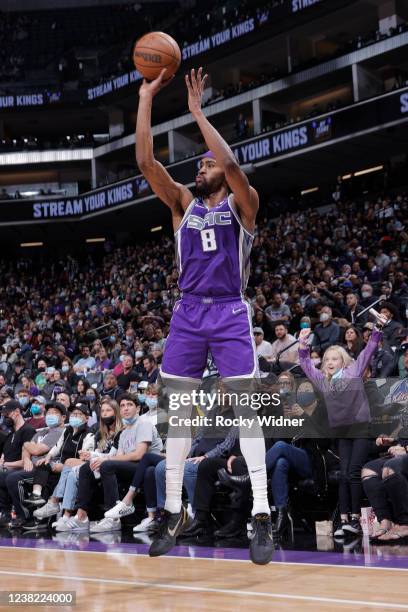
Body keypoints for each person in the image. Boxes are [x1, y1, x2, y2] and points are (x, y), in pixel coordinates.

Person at [136, 66, 273, 564]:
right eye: (200, 163)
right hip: (188, 314)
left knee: (246, 410)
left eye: (207, 163)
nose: (201, 166)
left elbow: (233, 161)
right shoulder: (182, 205)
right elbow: (146, 160)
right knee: (176, 417)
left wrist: (197, 111)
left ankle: (262, 512)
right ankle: (172, 510)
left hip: (231, 311)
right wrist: (146, 97)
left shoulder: (244, 204)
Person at [298, 315, 385, 536]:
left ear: (343, 361)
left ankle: (355, 520)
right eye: (327, 359)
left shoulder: (353, 372)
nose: (329, 362)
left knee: (354, 471)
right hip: (341, 431)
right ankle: (344, 519)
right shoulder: (323, 380)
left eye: (334, 359)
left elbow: (368, 350)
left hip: (361, 428)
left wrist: (378, 329)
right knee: (344, 473)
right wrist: (302, 345)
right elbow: (306, 365)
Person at [89, 393, 162, 533]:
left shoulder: (144, 424)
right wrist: (102, 459)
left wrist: (107, 459)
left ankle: (114, 518)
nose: (125, 408)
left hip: (150, 465)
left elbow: (140, 454)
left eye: (129, 405)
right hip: (134, 467)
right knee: (97, 466)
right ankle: (100, 516)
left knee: (108, 465)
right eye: (122, 406)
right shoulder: (123, 433)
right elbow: (120, 456)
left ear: (138, 408)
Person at [52, 397, 123, 532]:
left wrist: (93, 456)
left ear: (116, 413)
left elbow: (115, 456)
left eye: (109, 410)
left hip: (113, 467)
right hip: (97, 466)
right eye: (103, 411)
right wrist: (90, 455)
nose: (105, 414)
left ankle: (76, 514)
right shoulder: (100, 434)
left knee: (81, 468)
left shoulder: (121, 432)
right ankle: (72, 517)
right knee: (74, 473)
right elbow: (96, 453)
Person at [5, 401, 66, 528]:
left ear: (63, 418)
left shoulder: (59, 431)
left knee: (13, 478)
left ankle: (26, 516)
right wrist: (27, 458)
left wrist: (26, 445)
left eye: (54, 413)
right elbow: (26, 450)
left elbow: (37, 450)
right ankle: (7, 513)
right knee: (5, 476)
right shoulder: (42, 432)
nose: (50, 415)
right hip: (32, 467)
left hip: (46, 471)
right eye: (48, 412)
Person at [0, 400, 36, 526]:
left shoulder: (28, 430)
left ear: (17, 412)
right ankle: (4, 513)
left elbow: (26, 462)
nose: (5, 418)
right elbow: (5, 455)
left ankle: (24, 515)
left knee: (7, 475)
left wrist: (5, 465)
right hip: (7, 469)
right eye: (3, 415)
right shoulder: (9, 433)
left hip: (21, 471)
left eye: (7, 414)